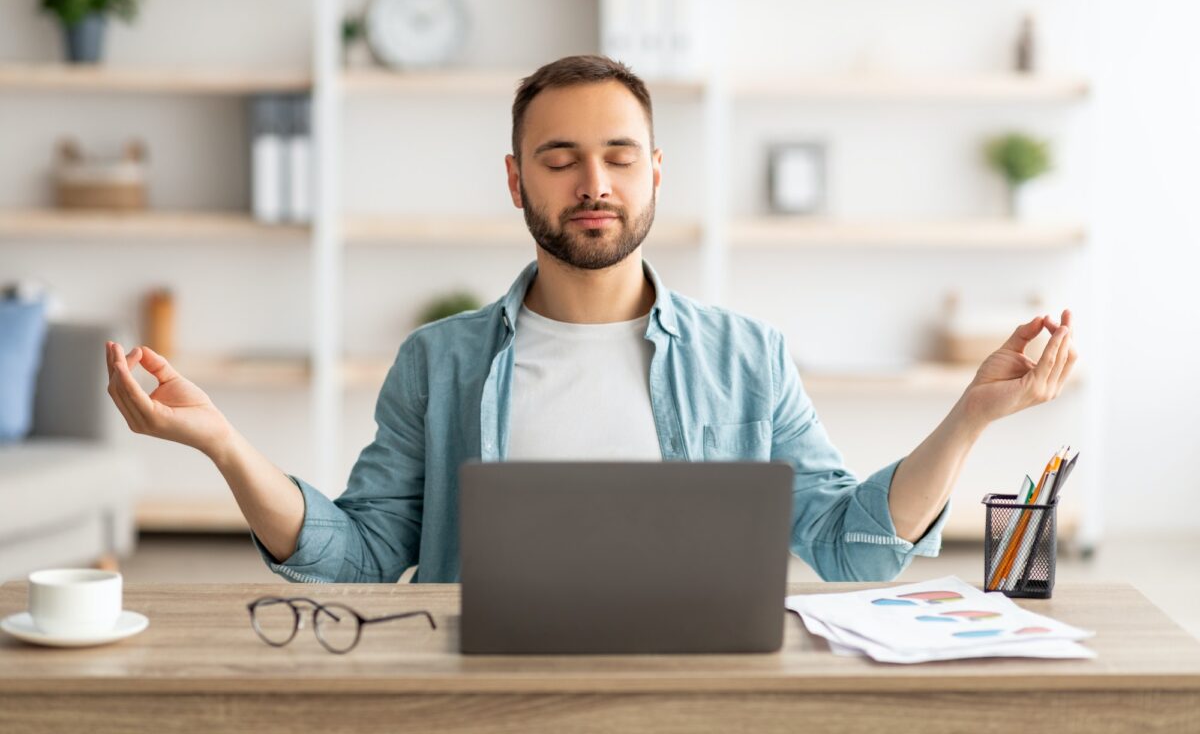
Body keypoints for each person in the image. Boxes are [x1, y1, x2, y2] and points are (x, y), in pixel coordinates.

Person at [105, 55, 1077, 583]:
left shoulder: (748, 355)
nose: (593, 182)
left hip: (699, 690)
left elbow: (847, 543)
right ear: (516, 178)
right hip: (483, 692)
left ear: (657, 172)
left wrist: (972, 415)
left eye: (619, 153)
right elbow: (356, 554)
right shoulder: (438, 362)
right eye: (559, 156)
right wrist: (227, 445)